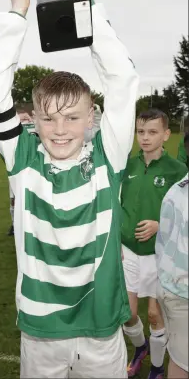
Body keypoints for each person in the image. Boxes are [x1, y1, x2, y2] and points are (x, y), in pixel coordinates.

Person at [0, 0, 139, 378]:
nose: (60, 129)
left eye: (72, 117)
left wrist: (86, 4)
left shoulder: (109, 154)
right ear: (33, 118)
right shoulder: (23, 156)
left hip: (102, 332)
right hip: (40, 333)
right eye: (48, 118)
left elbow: (122, 80)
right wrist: (17, 12)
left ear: (91, 117)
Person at [120, 109, 188, 379]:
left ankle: (158, 367)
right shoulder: (127, 165)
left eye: (152, 132)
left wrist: (159, 226)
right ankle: (141, 347)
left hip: (159, 257)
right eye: (140, 132)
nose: (145, 138)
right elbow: (116, 204)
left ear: (166, 135)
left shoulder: (178, 170)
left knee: (154, 316)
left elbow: (182, 215)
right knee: (126, 314)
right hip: (128, 251)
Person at [156, 131, 189, 379]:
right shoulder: (177, 193)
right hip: (180, 293)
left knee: (180, 358)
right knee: (181, 361)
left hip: (172, 287)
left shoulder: (176, 191)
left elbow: (164, 240)